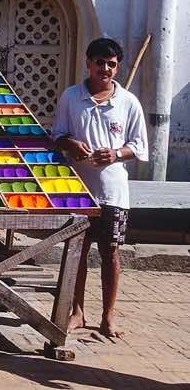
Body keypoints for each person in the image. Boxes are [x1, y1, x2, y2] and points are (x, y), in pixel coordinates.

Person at [52, 38, 147, 338]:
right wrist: (70, 143)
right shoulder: (71, 96)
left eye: (111, 64)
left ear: (117, 68)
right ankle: (76, 312)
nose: (104, 69)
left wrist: (116, 154)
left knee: (111, 253)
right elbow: (58, 134)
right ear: (88, 63)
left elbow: (139, 146)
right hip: (78, 189)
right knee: (77, 253)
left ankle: (108, 317)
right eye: (99, 62)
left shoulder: (128, 101)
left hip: (114, 192)